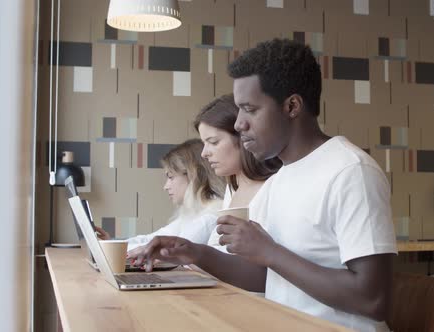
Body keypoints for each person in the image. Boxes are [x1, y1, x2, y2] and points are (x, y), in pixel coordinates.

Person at [132, 39, 397, 332]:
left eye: (249, 109)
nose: (238, 124)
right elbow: (266, 276)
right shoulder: (280, 180)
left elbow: (373, 299)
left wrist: (270, 251)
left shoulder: (350, 171)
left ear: (292, 106)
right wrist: (195, 252)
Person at [95, 138, 225, 251]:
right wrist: (111, 243)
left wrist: (111, 247)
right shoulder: (193, 214)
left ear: (192, 175)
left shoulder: (209, 218)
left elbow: (164, 251)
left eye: (171, 177)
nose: (165, 186)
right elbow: (152, 240)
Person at [192, 94, 281, 251]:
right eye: (203, 143)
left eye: (213, 142)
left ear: (243, 137)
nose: (204, 153)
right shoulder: (232, 188)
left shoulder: (275, 187)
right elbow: (218, 247)